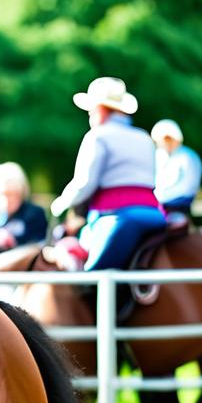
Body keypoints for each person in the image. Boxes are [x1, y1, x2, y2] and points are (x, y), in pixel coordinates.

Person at [50, 77, 166, 270]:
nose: (90, 117)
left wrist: (61, 203)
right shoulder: (144, 137)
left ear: (101, 110)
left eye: (91, 112)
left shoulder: (97, 136)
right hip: (154, 214)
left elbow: (85, 183)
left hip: (115, 218)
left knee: (90, 277)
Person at [0, 162, 48, 264]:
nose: (9, 200)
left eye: (13, 194)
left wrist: (11, 241)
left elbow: (39, 247)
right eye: (5, 194)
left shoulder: (34, 214)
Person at [151, 118, 202, 216]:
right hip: (160, 203)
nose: (166, 142)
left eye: (168, 138)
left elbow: (188, 188)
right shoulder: (159, 156)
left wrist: (160, 198)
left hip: (179, 204)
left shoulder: (188, 156)